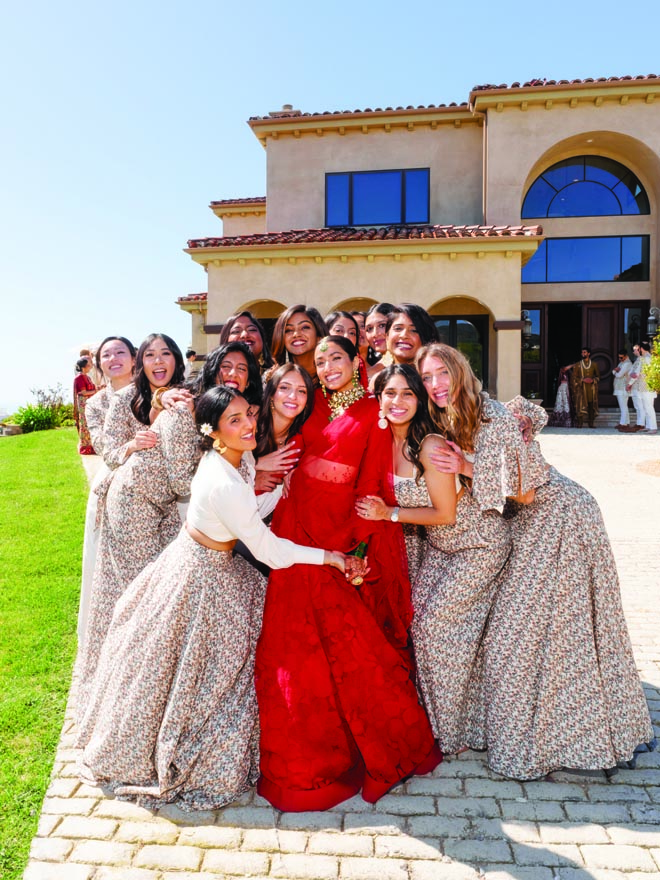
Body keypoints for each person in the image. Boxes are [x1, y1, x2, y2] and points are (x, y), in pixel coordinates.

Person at [77, 387, 352, 810]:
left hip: (204, 560)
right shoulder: (223, 478)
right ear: (213, 431)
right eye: (235, 421)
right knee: (205, 672)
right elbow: (269, 550)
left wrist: (281, 491)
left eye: (247, 415)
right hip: (202, 576)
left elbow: (248, 509)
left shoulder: (231, 458)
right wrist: (330, 558)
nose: (248, 427)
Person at [425, 344, 654, 778]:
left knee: (556, 634)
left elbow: (526, 491)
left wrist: (466, 467)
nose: (435, 384)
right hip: (531, 524)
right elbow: (531, 413)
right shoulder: (457, 416)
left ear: (459, 372)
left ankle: (576, 740)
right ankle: (555, 732)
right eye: (427, 377)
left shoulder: (491, 417)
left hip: (559, 515)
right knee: (532, 635)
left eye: (442, 373)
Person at [255, 336, 441, 812]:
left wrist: (354, 546)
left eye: (336, 357)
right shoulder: (311, 406)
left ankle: (380, 747)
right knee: (295, 648)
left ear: (355, 362)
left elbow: (369, 482)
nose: (328, 366)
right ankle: (305, 752)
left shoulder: (373, 411)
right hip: (292, 532)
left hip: (337, 540)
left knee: (348, 647)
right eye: (320, 361)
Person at [76, 333, 198, 728]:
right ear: (140, 363)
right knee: (136, 599)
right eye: (150, 355)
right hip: (131, 509)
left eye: (165, 353)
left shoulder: (188, 396)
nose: (157, 361)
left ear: (177, 360)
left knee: (157, 600)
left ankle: (154, 692)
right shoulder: (123, 401)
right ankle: (126, 702)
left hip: (166, 511)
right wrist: (132, 444)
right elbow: (108, 452)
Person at [78, 336, 136, 646]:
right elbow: (105, 447)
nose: (113, 358)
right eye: (106, 354)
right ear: (99, 362)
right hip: (111, 485)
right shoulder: (95, 404)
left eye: (120, 352)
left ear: (133, 358)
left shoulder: (151, 394)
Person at [191, 341, 263, 407]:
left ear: (248, 381)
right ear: (213, 373)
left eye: (241, 368)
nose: (233, 373)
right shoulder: (191, 409)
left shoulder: (257, 417)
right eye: (226, 366)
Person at [270, 304, 327, 386]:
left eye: (305, 327)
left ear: (318, 335)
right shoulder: (274, 378)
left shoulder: (332, 374)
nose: (296, 334)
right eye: (288, 330)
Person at [628, 340, 657, 434]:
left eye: (639, 348)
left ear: (641, 348)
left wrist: (631, 380)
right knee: (646, 407)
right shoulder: (645, 358)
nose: (638, 350)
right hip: (643, 386)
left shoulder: (646, 358)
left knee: (648, 407)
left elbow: (637, 373)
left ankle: (653, 427)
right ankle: (649, 426)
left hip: (647, 386)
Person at [566, 347, 599, 428]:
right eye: (582, 353)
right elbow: (573, 377)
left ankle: (591, 423)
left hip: (591, 389)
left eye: (584, 352)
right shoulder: (578, 364)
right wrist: (582, 380)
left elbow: (598, 376)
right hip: (581, 389)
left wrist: (592, 380)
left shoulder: (594, 364)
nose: (583, 354)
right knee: (580, 405)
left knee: (591, 405)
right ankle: (580, 423)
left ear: (588, 353)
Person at [364, 302, 396, 380]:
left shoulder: (413, 361)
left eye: (382, 325)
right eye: (369, 329)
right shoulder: (369, 373)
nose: (375, 334)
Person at [73, 357, 97, 454]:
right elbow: (83, 392)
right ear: (83, 367)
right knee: (85, 424)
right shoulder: (79, 378)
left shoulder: (87, 377)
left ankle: (93, 445)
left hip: (90, 401)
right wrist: (96, 391)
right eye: (88, 365)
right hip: (84, 403)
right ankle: (86, 447)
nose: (90, 367)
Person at [612, 348, 633, 431]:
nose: (620, 359)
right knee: (623, 406)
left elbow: (619, 375)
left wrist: (615, 371)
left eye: (622, 357)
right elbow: (615, 371)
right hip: (619, 387)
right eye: (619, 357)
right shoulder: (622, 363)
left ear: (626, 356)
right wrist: (615, 371)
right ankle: (625, 422)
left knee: (623, 406)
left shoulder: (627, 363)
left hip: (623, 387)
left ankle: (623, 423)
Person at [627, 343, 646, 431]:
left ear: (639, 349)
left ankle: (641, 424)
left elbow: (636, 374)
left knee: (639, 406)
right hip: (635, 385)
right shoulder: (638, 359)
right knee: (637, 406)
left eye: (635, 349)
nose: (633, 351)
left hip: (638, 385)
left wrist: (630, 383)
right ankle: (639, 423)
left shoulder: (641, 360)